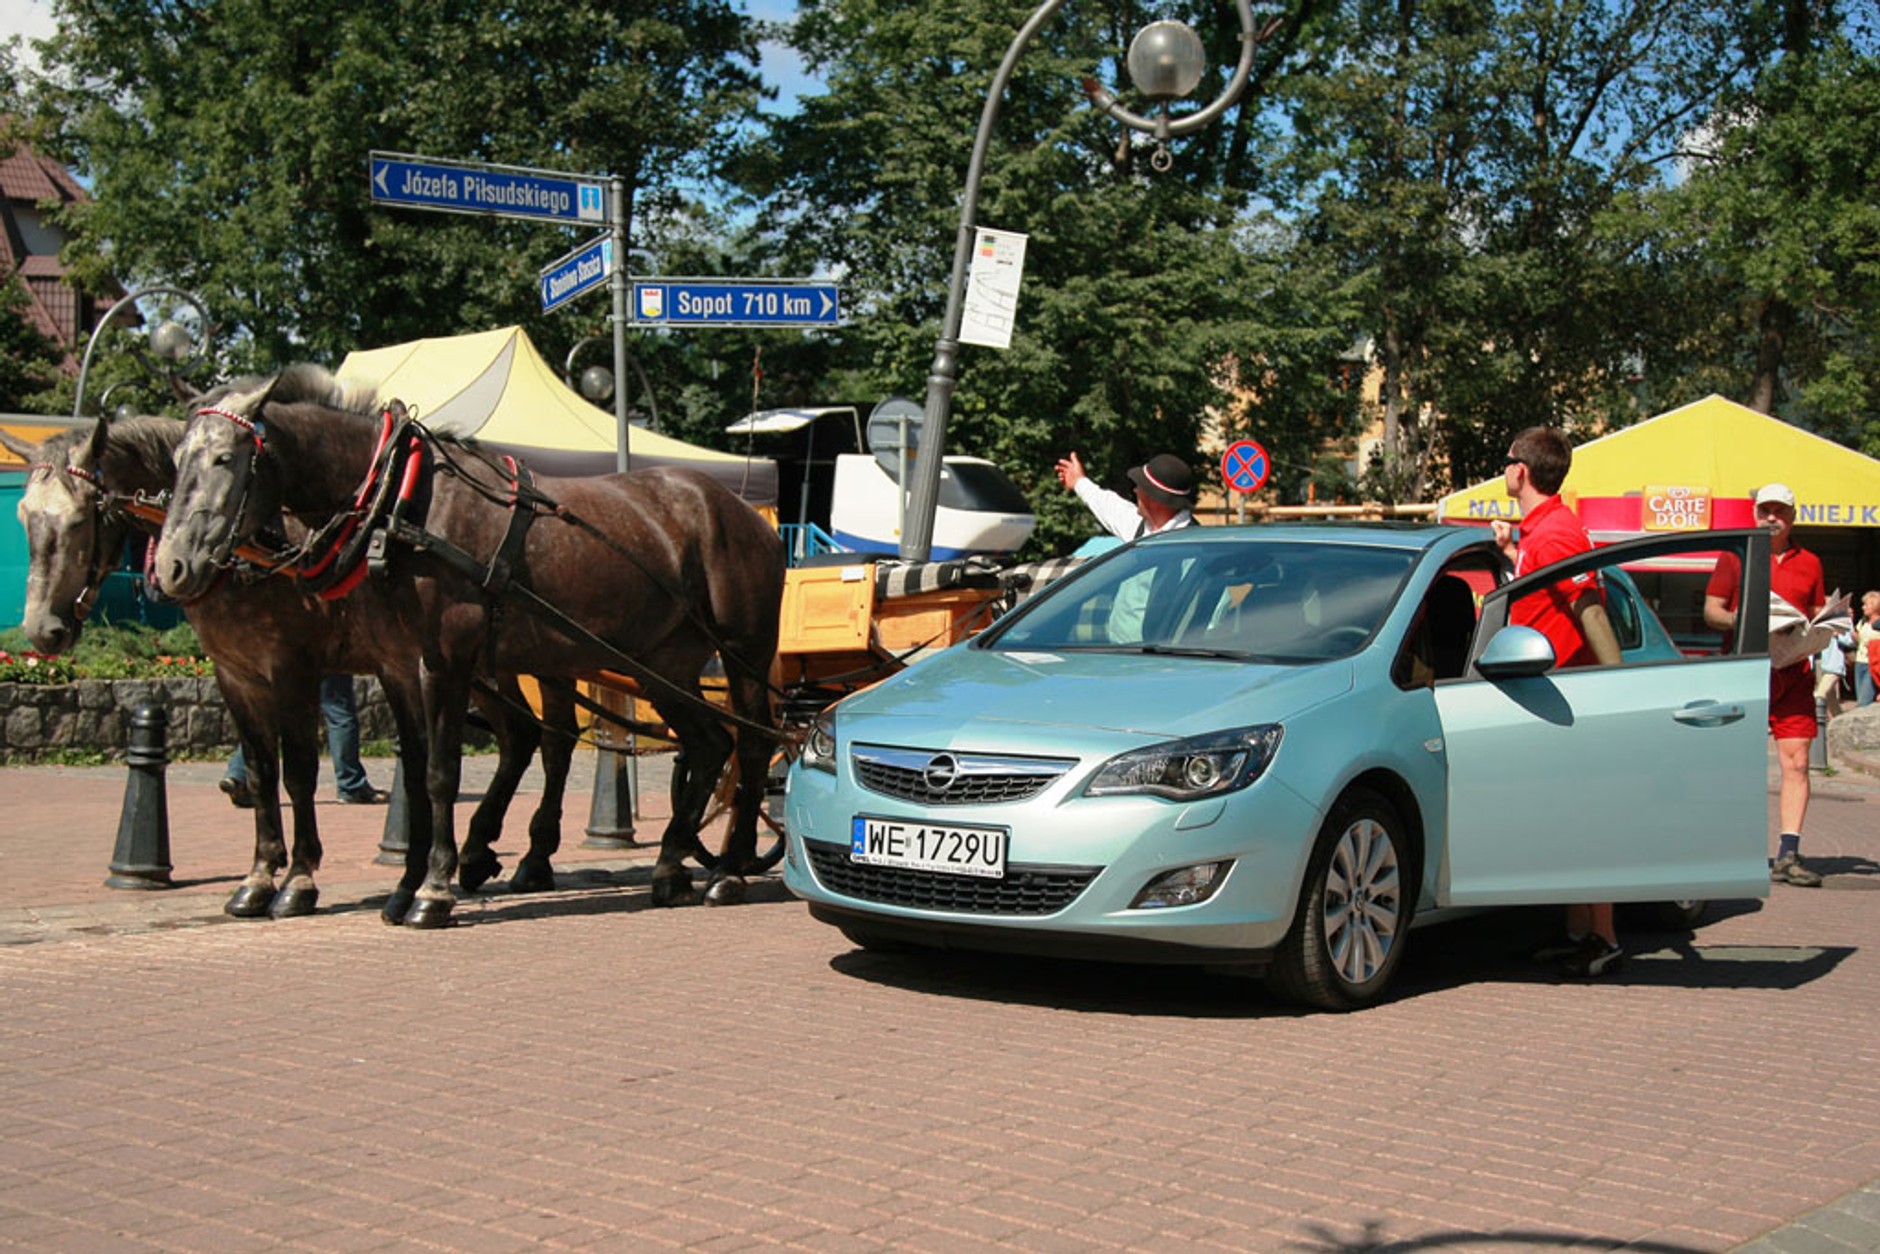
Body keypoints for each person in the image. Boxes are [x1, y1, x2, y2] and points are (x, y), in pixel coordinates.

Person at [1489, 425, 1625, 978]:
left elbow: (1587, 605)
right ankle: (1577, 932)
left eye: (1505, 461)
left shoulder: (1556, 534)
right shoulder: (1543, 531)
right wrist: (1511, 552)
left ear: (1520, 470)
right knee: (1567, 821)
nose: (1504, 470)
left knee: (1586, 820)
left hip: (1567, 693)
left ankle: (1604, 937)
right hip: (1547, 690)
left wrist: (1618, 687)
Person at [1703, 483, 1825, 888]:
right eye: (1765, 510)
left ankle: (1788, 853)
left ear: (1792, 517)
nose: (1772, 517)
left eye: (1780, 511)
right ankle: (1725, 848)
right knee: (1734, 762)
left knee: (1798, 762)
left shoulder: (1811, 562)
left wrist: (1822, 630)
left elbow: (1817, 613)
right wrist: (1747, 621)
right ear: (1755, 514)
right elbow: (1712, 611)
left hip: (1793, 672)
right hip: (1745, 671)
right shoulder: (1735, 556)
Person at [1054, 451, 1197, 641]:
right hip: (1121, 652)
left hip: (1168, 654)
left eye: (1140, 486)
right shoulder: (1138, 527)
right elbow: (1107, 504)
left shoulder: (1198, 547)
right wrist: (1079, 481)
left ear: (1153, 498)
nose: (1135, 490)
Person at [220, 674, 388, 807]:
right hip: (326, 651)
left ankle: (238, 774)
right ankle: (351, 785)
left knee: (273, 714)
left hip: (288, 653)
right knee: (339, 711)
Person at [1856, 590, 1880, 707]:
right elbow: (1857, 639)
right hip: (1860, 662)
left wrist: (1873, 645)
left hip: (1874, 663)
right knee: (1860, 697)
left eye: (1866, 605)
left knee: (1863, 702)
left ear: (1874, 606)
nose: (1863, 607)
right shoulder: (1862, 622)